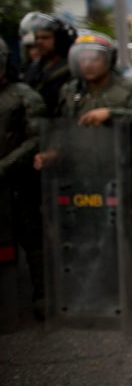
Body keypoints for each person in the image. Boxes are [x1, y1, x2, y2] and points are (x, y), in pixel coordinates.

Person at [38, 31, 132, 309]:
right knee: (89, 228)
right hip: (84, 172)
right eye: (83, 59)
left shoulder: (131, 87)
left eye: (95, 58)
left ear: (109, 59)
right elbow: (62, 126)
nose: (89, 64)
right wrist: (52, 151)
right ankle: (100, 281)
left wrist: (111, 114)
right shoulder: (70, 91)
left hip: (125, 169)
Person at [0, 37, 47, 320]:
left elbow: (37, 136)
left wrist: (6, 165)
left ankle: (42, 293)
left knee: (33, 237)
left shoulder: (22, 94)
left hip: (20, 181)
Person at [21, 12, 77, 116]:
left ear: (59, 39)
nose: (39, 42)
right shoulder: (34, 67)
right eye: (37, 38)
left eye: (45, 38)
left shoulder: (72, 68)